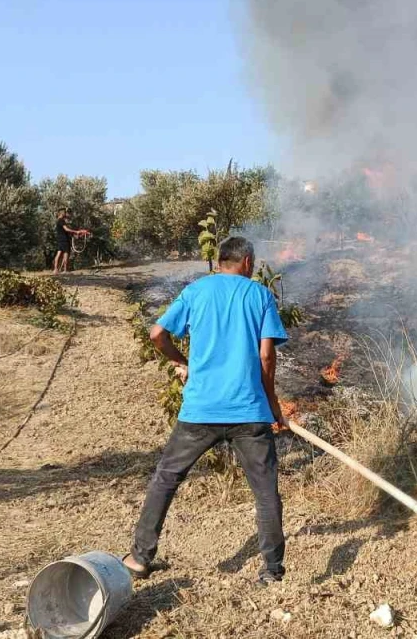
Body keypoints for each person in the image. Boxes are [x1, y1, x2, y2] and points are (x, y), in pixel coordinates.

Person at [123, 237, 290, 586]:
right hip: (249, 411)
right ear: (247, 262)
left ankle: (139, 558)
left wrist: (181, 361)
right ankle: (272, 570)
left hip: (200, 410)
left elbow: (157, 334)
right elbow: (266, 357)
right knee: (265, 492)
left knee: (166, 479)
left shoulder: (196, 291)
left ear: (220, 260)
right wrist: (273, 405)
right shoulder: (259, 295)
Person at [52, 208, 88, 274]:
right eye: (65, 213)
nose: (66, 214)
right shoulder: (61, 221)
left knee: (59, 254)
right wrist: (76, 232)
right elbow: (66, 229)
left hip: (60, 240)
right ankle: (65, 270)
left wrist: (76, 234)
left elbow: (65, 231)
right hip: (64, 240)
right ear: (62, 213)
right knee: (66, 254)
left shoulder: (59, 221)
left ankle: (55, 270)